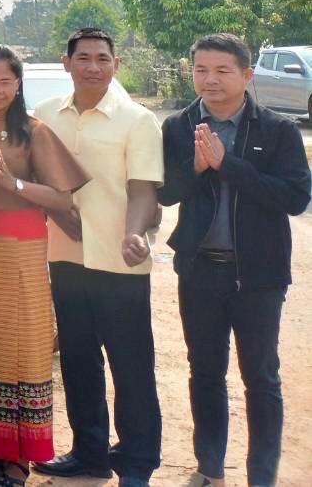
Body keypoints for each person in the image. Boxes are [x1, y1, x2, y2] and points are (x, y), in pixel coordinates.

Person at [160, 34, 310, 487]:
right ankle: (210, 470)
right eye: (201, 70)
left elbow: (295, 197)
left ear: (247, 75)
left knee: (261, 377)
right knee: (205, 372)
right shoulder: (179, 126)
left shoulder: (277, 130)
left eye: (222, 70)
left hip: (258, 276)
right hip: (200, 271)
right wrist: (196, 167)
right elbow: (166, 192)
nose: (210, 79)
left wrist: (228, 164)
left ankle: (261, 476)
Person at [0, 46, 88, 487]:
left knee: (22, 348)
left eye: (5, 81)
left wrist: (14, 184)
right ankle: (0, 452)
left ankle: (21, 460)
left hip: (19, 248)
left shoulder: (34, 131)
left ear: (18, 84)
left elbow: (61, 198)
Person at [33, 28, 163, 487]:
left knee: (131, 367)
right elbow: (36, 180)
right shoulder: (45, 115)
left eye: (103, 58)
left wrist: (135, 233)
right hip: (65, 257)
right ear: (66, 63)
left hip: (120, 262)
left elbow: (143, 189)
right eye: (84, 57)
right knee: (78, 361)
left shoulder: (138, 120)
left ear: (116, 64)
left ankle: (137, 462)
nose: (93, 66)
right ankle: (89, 453)